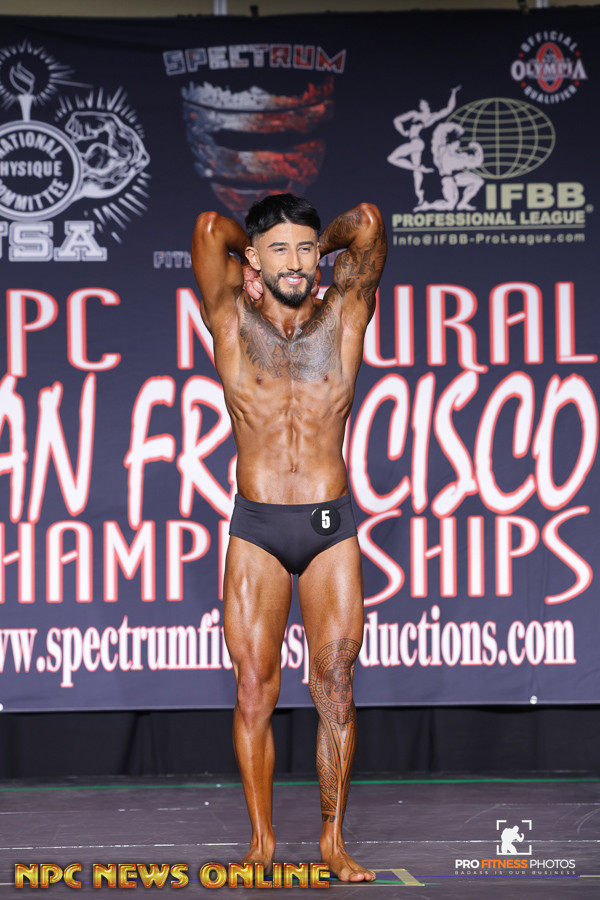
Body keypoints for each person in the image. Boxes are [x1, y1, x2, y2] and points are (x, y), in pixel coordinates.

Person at [191, 193, 387, 883]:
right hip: (258, 528)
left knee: (335, 688)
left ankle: (333, 841)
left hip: (329, 526)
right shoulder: (230, 317)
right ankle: (262, 841)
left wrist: (317, 246)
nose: (297, 261)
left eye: (306, 248)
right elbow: (209, 228)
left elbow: (367, 222)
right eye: (280, 250)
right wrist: (258, 254)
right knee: (254, 690)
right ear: (253, 259)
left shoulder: (345, 313)